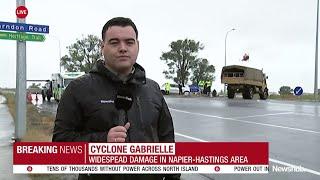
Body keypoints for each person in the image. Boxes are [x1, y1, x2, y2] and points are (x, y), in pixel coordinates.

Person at [52, 17, 180, 180]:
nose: (123, 48)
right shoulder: (79, 88)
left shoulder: (153, 89)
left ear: (137, 46)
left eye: (129, 42)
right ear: (102, 47)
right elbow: (60, 147)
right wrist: (102, 141)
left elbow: (167, 141)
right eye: (114, 42)